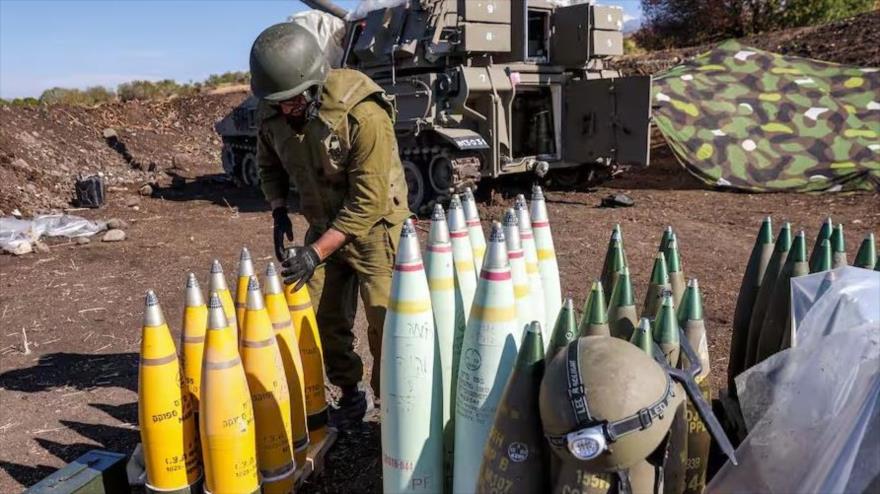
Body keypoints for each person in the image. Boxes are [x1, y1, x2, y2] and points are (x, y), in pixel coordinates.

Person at [249, 22, 410, 427]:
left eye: (291, 101)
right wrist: (278, 208)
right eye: (278, 102)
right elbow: (268, 163)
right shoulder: (274, 110)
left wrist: (315, 252)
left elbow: (368, 202)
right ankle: (351, 392)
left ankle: (391, 405)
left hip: (374, 231)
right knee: (317, 317)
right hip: (322, 224)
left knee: (387, 321)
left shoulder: (364, 115)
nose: (285, 110)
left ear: (313, 84)